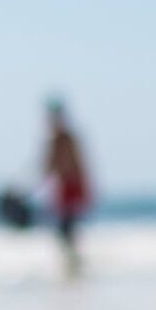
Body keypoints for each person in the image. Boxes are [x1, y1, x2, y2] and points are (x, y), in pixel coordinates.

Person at [42, 96, 92, 274]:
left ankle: (75, 266)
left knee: (66, 229)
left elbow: (62, 166)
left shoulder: (64, 139)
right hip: (65, 188)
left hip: (71, 188)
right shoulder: (60, 139)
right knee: (65, 230)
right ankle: (73, 265)